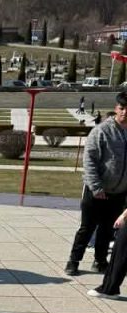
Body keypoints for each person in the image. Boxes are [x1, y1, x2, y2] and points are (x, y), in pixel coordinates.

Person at [65, 91, 127, 276]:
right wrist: (96, 186)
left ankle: (100, 261)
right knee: (87, 228)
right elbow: (89, 160)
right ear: (116, 109)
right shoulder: (102, 131)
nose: (125, 112)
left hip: (119, 192)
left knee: (108, 229)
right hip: (97, 191)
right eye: (122, 108)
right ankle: (73, 261)